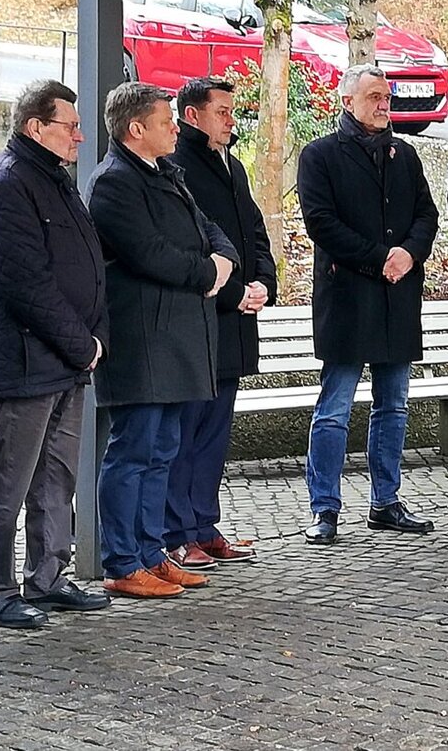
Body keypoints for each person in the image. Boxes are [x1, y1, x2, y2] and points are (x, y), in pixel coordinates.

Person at [87, 82, 240, 598]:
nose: (176, 127)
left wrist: (219, 261)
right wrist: (207, 274)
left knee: (163, 450)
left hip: (177, 338)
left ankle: (153, 552)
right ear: (136, 129)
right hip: (142, 339)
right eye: (166, 120)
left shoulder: (167, 174)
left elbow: (211, 230)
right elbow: (148, 253)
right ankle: (122, 561)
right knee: (133, 450)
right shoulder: (112, 184)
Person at [0, 80, 111, 629]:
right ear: (36, 127)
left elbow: (89, 266)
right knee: (11, 480)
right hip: (26, 359)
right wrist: (82, 343)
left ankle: (48, 577)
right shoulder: (8, 183)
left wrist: (93, 338)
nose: (81, 136)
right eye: (70, 125)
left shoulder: (54, 181)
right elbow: (24, 283)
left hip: (66, 359)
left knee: (57, 476)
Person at [298, 65, 438, 543]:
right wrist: (381, 258)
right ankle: (325, 508)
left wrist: (409, 253)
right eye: (375, 96)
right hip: (348, 297)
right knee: (335, 407)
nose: (384, 105)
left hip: (397, 298)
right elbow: (321, 222)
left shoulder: (406, 154)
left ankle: (386, 501)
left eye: (387, 97)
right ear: (347, 102)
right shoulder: (319, 156)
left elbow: (426, 214)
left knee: (394, 405)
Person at [164, 77, 277, 569]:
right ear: (192, 116)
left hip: (235, 321)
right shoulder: (177, 167)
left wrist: (264, 282)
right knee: (185, 433)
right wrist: (235, 292)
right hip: (201, 318)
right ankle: (177, 532)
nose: (233, 120)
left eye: (233, 112)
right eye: (223, 112)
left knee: (215, 433)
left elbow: (253, 230)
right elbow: (192, 244)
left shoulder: (232, 164)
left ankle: (205, 525)